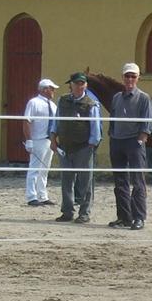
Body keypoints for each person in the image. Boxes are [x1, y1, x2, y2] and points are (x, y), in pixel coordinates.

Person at [107, 62, 152, 230]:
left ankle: (139, 217)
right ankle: (124, 216)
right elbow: (113, 118)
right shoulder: (116, 98)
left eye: (133, 76)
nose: (129, 79)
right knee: (120, 182)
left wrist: (140, 140)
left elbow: (147, 123)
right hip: (117, 141)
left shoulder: (143, 98)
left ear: (138, 78)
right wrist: (112, 136)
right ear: (123, 77)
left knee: (138, 181)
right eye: (127, 76)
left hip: (134, 142)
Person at [50, 72, 102, 224]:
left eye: (82, 83)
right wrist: (53, 138)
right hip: (64, 146)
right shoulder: (62, 101)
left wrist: (91, 145)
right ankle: (67, 211)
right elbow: (56, 121)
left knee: (85, 181)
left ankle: (84, 212)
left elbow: (95, 127)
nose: (79, 86)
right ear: (70, 85)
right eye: (77, 83)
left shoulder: (91, 104)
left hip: (84, 147)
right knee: (66, 180)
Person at [23, 78, 58, 207]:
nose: (53, 91)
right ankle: (31, 196)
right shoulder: (34, 103)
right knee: (35, 168)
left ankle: (42, 195)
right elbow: (27, 121)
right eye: (51, 88)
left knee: (45, 169)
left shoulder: (53, 105)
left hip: (49, 140)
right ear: (45, 89)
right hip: (38, 139)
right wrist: (29, 140)